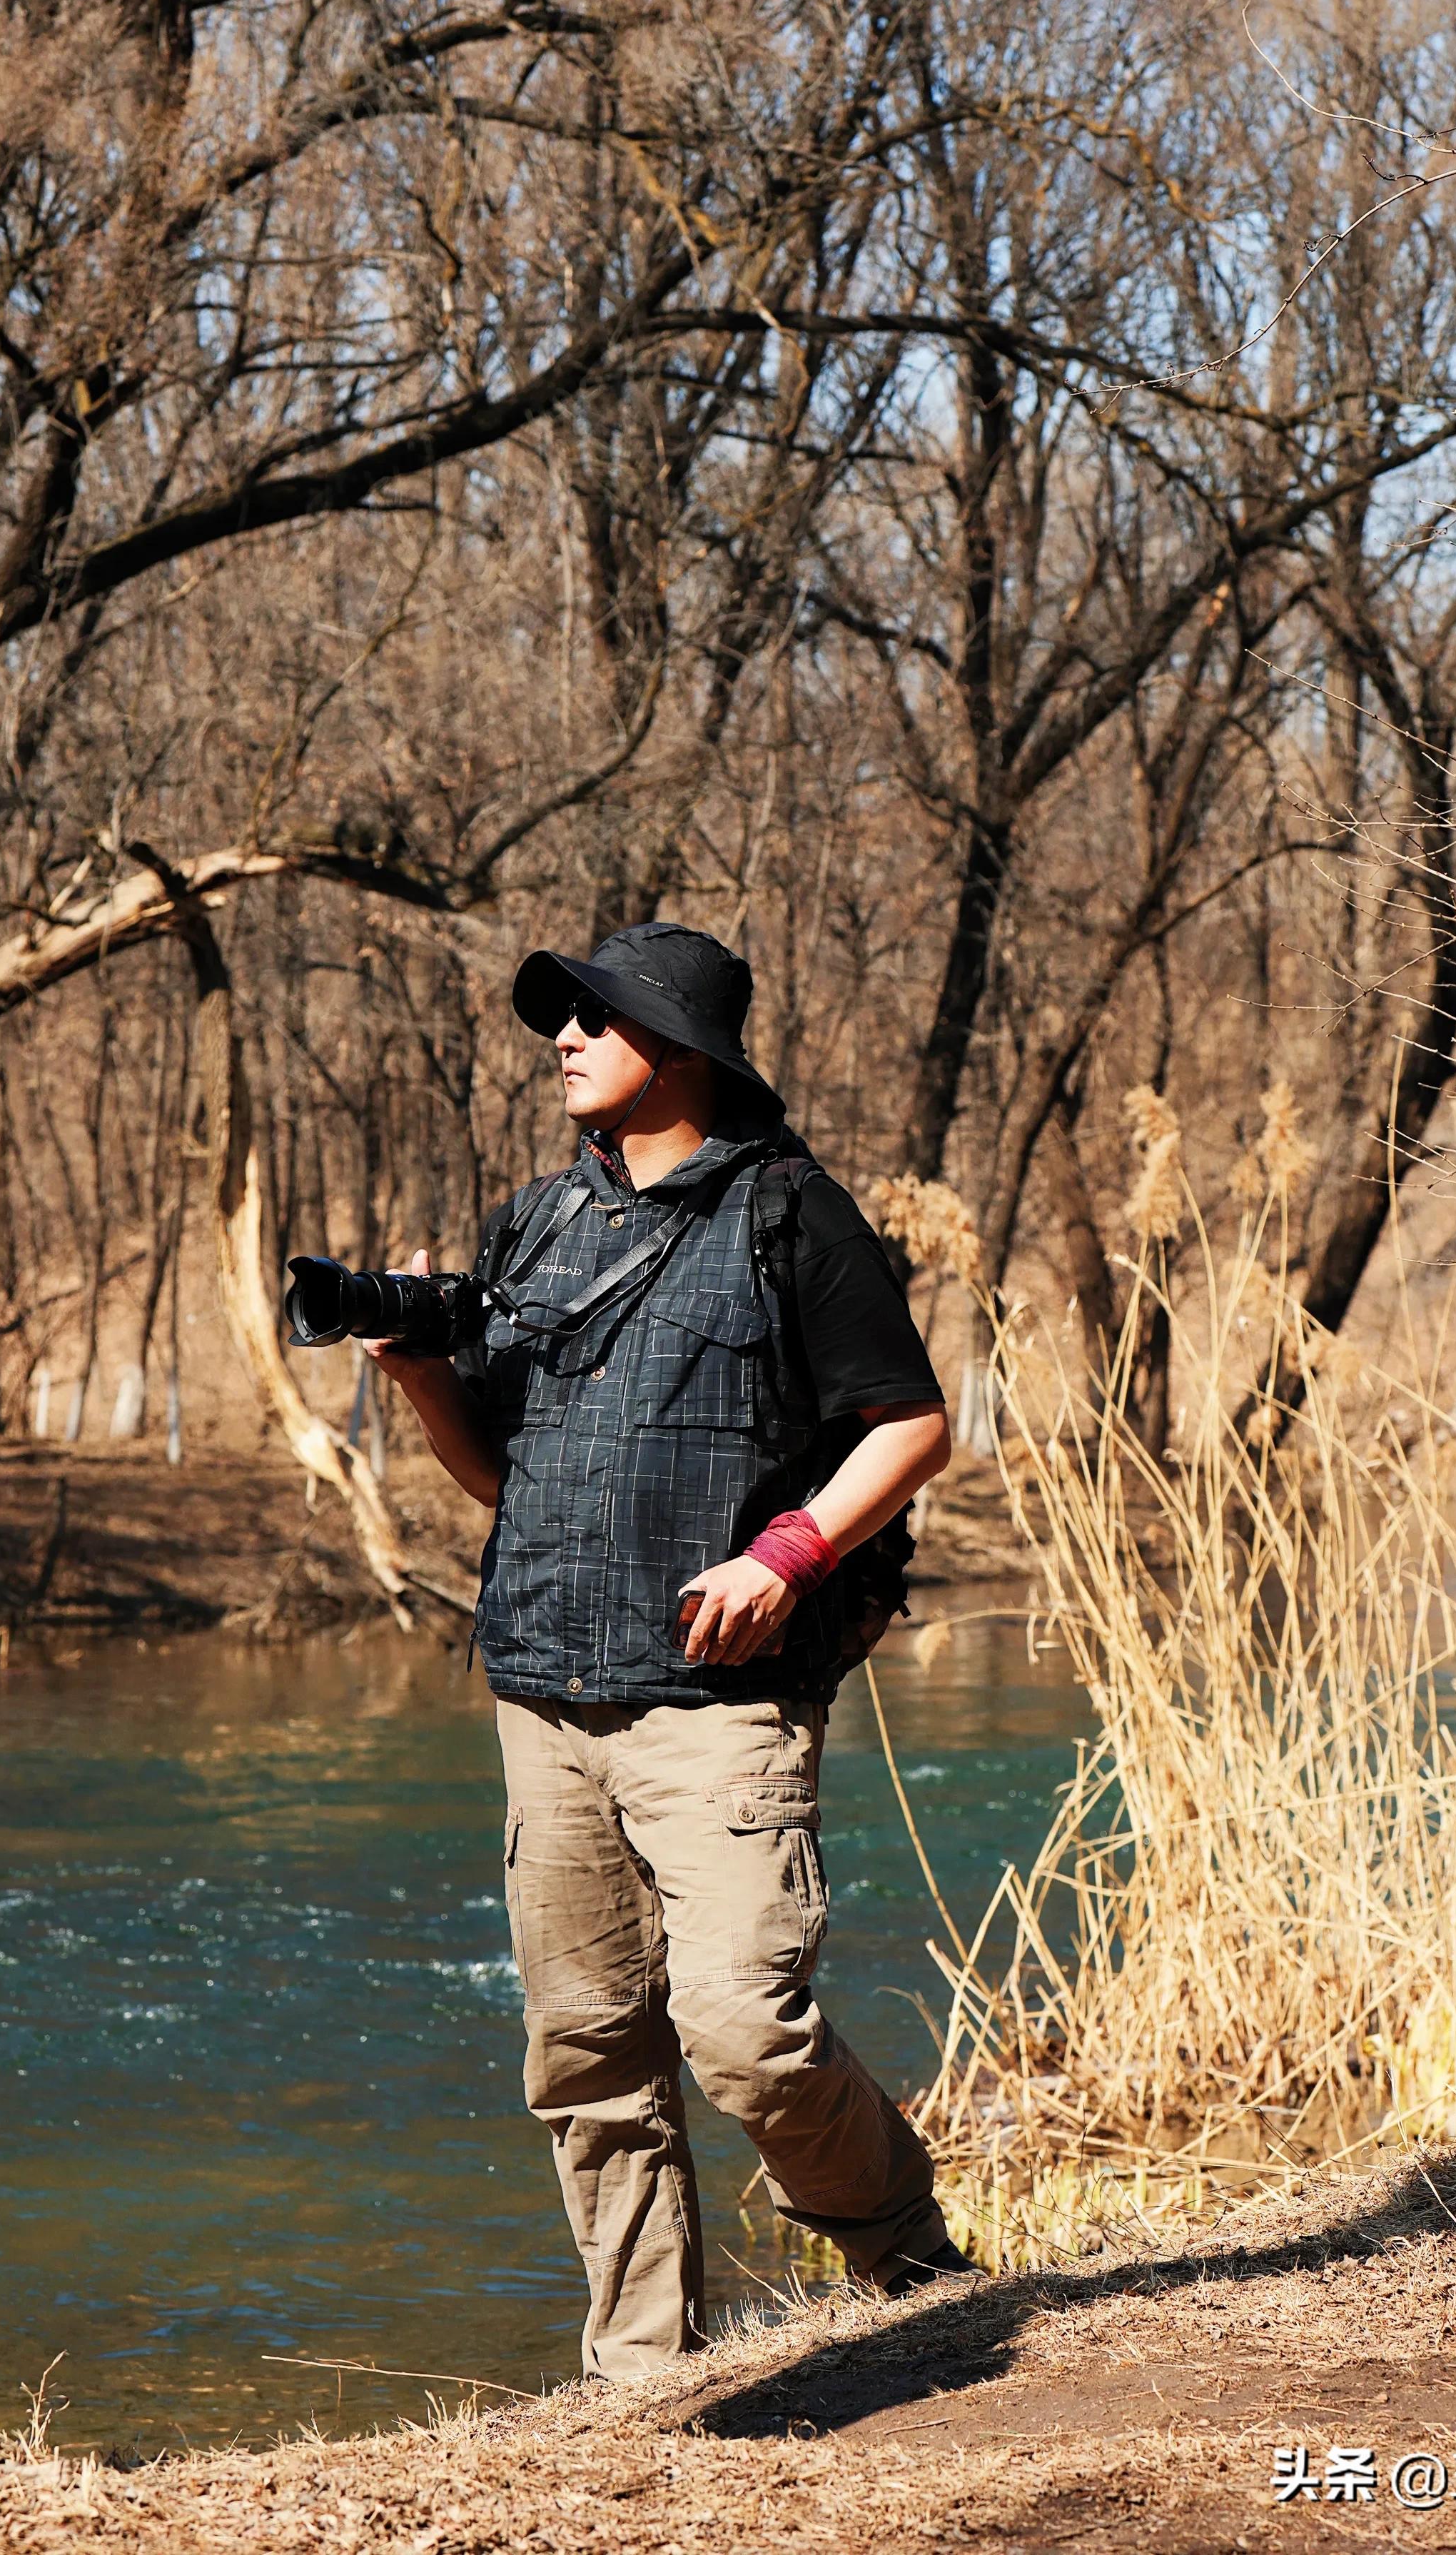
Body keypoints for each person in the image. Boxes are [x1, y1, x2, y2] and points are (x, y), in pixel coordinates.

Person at [366, 921, 973, 2378]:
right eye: (558, 1018)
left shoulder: (790, 1216)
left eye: (592, 1016)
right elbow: (504, 1481)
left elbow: (913, 1422)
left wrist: (787, 1552)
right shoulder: (535, 1228)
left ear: (682, 1048)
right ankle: (643, 2370)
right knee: (585, 2052)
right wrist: (419, 1374)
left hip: (718, 1699)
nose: (560, 1038)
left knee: (743, 2029)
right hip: (544, 1688)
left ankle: (902, 2247)